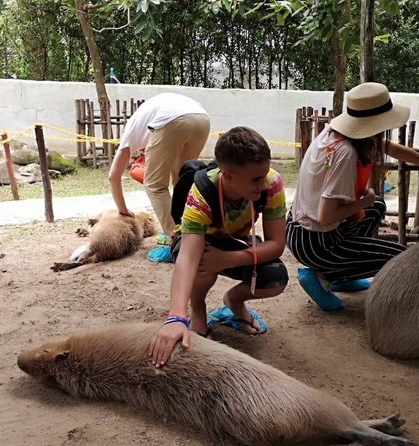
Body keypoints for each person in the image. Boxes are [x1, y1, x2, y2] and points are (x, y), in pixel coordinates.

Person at [286, 82, 419, 312]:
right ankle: (324, 276)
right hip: (316, 243)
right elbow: (326, 216)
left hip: (301, 229)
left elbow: (391, 148)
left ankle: (341, 276)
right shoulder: (346, 153)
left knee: (376, 206)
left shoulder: (335, 134)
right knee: (399, 256)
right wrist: (363, 202)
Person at [147, 127, 288, 368]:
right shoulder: (201, 194)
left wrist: (227, 259)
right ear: (228, 176)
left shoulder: (272, 183)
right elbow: (188, 258)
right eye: (256, 179)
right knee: (201, 262)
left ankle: (233, 300)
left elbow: (276, 244)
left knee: (275, 279)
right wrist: (175, 317)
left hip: (232, 244)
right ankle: (198, 310)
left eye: (265, 174)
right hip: (198, 242)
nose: (264, 183)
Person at [107, 92, 210, 262]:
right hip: (201, 119)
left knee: (154, 185)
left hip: (171, 120)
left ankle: (176, 241)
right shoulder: (146, 121)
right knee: (184, 180)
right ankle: (194, 233)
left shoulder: (131, 132)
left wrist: (122, 208)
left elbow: (113, 176)